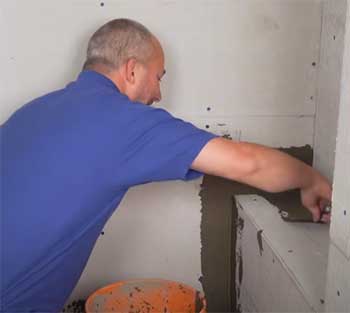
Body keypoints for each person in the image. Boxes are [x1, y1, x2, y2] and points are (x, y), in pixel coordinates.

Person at [1, 18, 332, 312]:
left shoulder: (32, 112)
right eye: (158, 77)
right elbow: (248, 164)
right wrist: (310, 179)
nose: (159, 93)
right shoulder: (125, 124)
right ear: (132, 69)